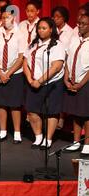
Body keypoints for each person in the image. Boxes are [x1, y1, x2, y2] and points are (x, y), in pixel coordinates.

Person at [23, 17, 65, 149]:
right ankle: (38, 136)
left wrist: (40, 81)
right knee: (31, 110)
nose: (41, 31)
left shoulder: (57, 45)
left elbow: (56, 66)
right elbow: (25, 62)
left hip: (51, 82)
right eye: (39, 28)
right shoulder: (33, 44)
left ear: (51, 29)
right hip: (33, 81)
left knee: (51, 111)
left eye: (44, 28)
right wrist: (30, 79)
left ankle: (48, 139)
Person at [0, 5, 25, 144]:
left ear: (13, 17)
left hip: (14, 73)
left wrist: (8, 73)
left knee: (15, 104)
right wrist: (0, 73)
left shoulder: (20, 34)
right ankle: (3, 131)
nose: (5, 20)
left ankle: (16, 132)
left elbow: (21, 57)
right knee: (1, 103)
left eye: (8, 17)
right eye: (3, 17)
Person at [63, 13, 89, 155]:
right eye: (79, 23)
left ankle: (87, 143)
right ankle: (76, 141)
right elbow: (68, 60)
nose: (80, 26)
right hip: (72, 81)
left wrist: (80, 84)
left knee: (86, 114)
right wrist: (66, 78)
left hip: (85, 83)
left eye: (83, 24)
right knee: (75, 113)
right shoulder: (74, 40)